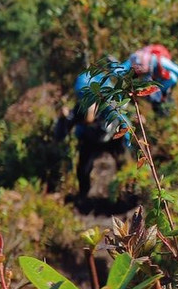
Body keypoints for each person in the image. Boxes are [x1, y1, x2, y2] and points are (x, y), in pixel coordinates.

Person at [54, 72, 131, 200]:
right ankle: (84, 196)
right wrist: (63, 119)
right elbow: (61, 134)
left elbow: (125, 124)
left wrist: (129, 143)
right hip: (90, 141)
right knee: (83, 169)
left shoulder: (111, 107)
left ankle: (125, 192)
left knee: (123, 161)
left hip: (113, 139)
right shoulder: (80, 109)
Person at [126, 43, 178, 112]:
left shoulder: (153, 68)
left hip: (145, 73)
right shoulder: (161, 61)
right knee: (173, 79)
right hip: (148, 71)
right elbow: (177, 71)